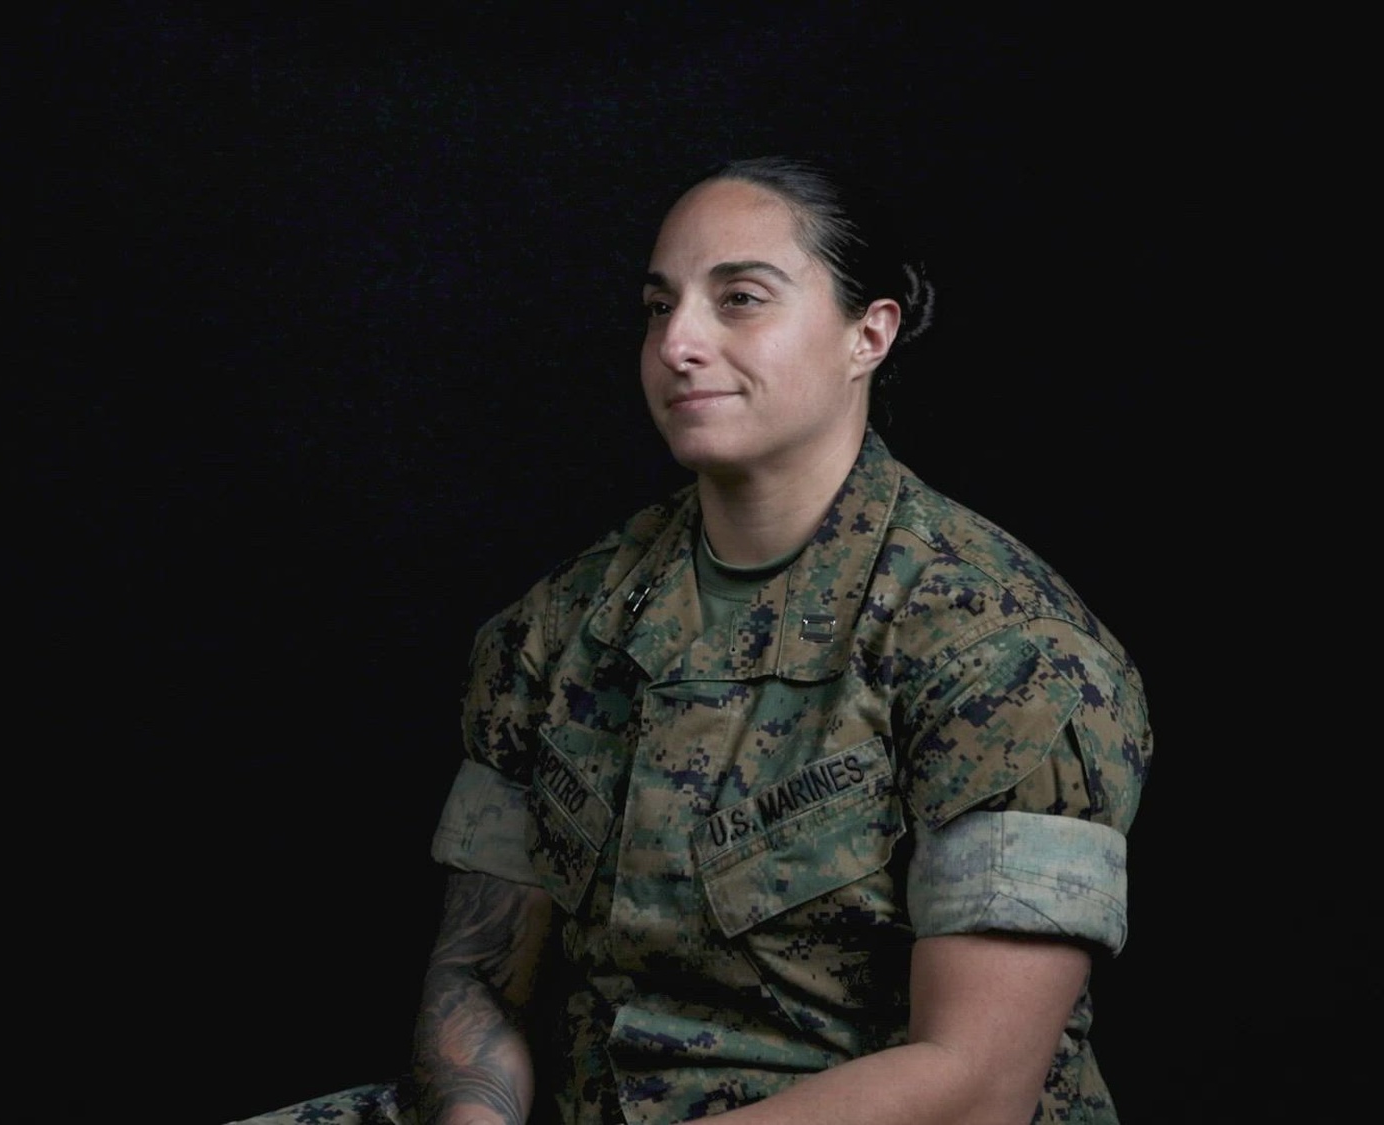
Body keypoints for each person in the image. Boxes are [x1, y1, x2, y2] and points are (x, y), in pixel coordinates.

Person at [230, 153, 1153, 1125]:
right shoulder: (556, 631)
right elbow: (478, 980)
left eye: (739, 299)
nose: (678, 342)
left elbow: (973, 1084)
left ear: (866, 334)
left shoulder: (1003, 651)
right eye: (656, 305)